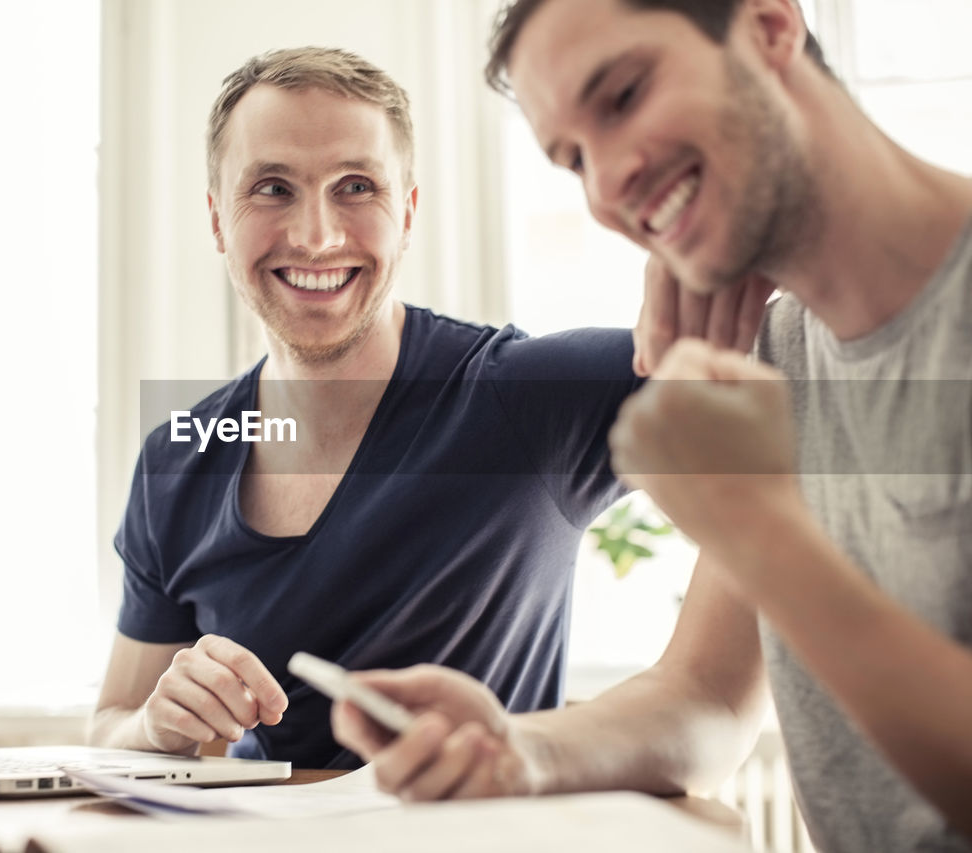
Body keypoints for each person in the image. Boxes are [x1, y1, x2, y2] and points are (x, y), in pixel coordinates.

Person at [331, 0, 972, 849]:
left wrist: (755, 526)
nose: (604, 187)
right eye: (573, 159)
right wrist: (516, 749)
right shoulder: (777, 355)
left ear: (771, 26)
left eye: (625, 95)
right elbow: (704, 698)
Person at [86, 46, 642, 770]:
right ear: (219, 220)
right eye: (272, 188)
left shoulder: (523, 398)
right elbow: (110, 725)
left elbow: (784, 369)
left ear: (406, 212)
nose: (316, 235)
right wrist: (155, 727)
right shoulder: (178, 456)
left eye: (355, 186)